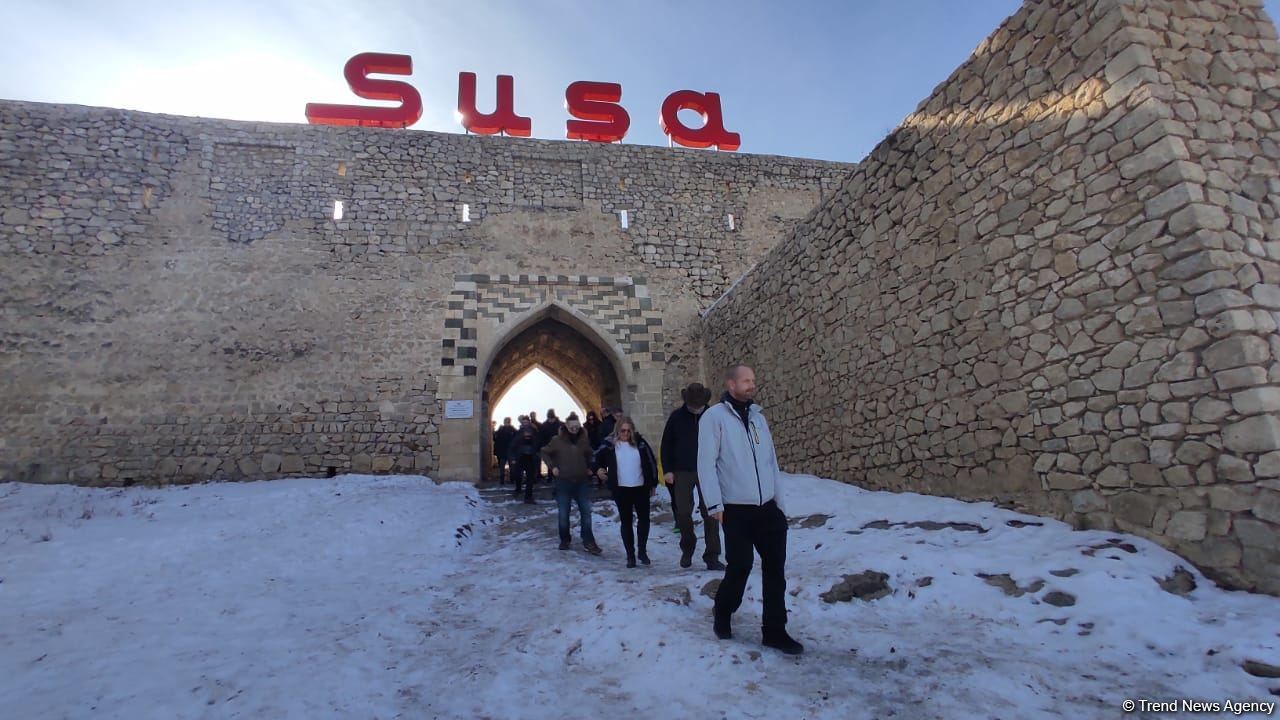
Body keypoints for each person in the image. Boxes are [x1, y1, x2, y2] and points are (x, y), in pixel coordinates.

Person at [698, 364, 803, 655]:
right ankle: (723, 609)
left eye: (753, 380)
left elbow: (771, 462)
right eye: (746, 380)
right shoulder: (714, 418)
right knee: (740, 567)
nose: (752, 385)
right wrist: (714, 503)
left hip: (767, 509)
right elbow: (706, 463)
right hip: (735, 509)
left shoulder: (758, 418)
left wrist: (779, 504)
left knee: (775, 571)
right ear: (731, 384)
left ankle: (775, 631)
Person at [661, 382, 724, 571]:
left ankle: (712, 555)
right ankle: (687, 547)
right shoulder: (676, 418)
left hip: (709, 470)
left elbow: (723, 443)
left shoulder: (714, 416)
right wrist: (668, 470)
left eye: (699, 405)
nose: (696, 409)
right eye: (693, 405)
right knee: (682, 512)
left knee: (712, 512)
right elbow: (666, 445)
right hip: (682, 470)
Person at [594, 416, 659, 569]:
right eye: (623, 431)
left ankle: (642, 551)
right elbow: (594, 457)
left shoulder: (640, 444)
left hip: (640, 487)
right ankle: (630, 555)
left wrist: (653, 482)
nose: (626, 434)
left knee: (644, 520)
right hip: (621, 488)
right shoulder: (609, 445)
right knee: (626, 522)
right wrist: (598, 469)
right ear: (617, 430)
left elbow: (651, 461)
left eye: (629, 431)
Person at [541, 414, 602, 554]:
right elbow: (544, 452)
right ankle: (565, 539)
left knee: (586, 512)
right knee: (564, 513)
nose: (574, 428)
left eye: (577, 426)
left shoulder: (583, 440)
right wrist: (552, 467)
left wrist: (590, 467)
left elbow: (591, 454)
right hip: (563, 482)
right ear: (566, 426)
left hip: (581, 482)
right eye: (572, 426)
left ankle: (588, 541)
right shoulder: (557, 440)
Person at [506, 422, 540, 504]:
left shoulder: (534, 438)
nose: (528, 433)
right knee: (518, 476)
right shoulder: (518, 438)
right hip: (520, 459)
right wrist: (513, 458)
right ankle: (518, 489)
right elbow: (511, 448)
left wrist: (537, 455)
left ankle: (528, 497)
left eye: (529, 432)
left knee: (530, 479)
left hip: (530, 459)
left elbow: (538, 447)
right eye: (526, 432)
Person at [493, 417, 517, 485]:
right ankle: (504, 480)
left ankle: (509, 480)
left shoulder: (511, 429)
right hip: (505, 452)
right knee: (503, 467)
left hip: (508, 451)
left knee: (510, 467)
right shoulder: (504, 429)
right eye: (506, 421)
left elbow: (495, 438)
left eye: (507, 421)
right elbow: (495, 438)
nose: (506, 423)